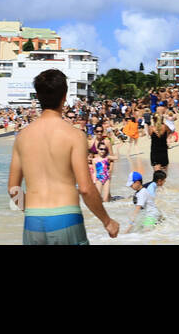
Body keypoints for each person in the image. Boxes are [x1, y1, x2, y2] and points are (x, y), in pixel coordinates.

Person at [8, 69, 119, 244]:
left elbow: (13, 189)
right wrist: (107, 221)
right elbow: (85, 188)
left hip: (32, 222)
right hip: (66, 218)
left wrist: (33, 211)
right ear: (64, 96)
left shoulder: (22, 137)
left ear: (37, 96)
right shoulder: (74, 136)